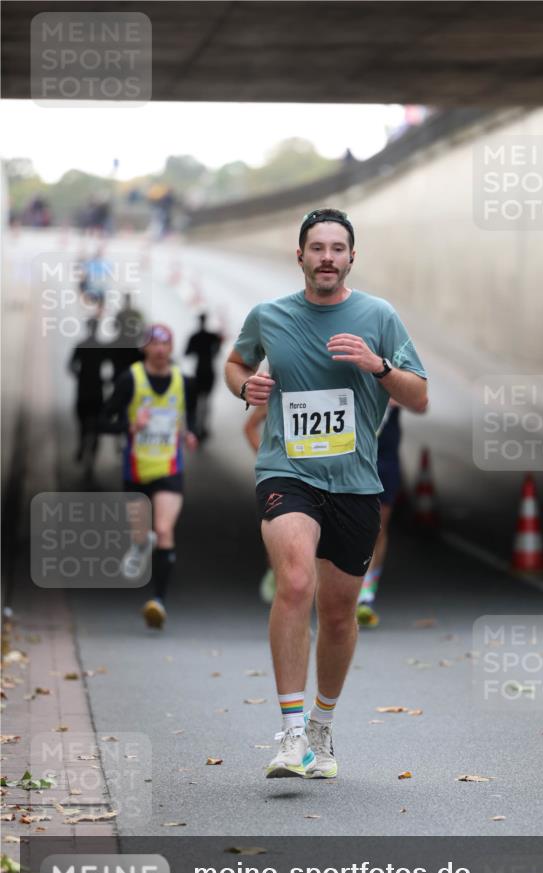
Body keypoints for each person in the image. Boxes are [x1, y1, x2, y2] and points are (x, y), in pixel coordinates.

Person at [225, 207, 428, 779]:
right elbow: (236, 362)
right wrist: (247, 385)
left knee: (338, 614)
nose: (327, 258)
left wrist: (379, 365)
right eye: (317, 248)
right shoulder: (270, 316)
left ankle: (321, 724)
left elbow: (419, 397)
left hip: (356, 482)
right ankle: (291, 735)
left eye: (338, 248)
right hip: (286, 471)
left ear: (351, 258)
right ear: (300, 257)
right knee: (294, 580)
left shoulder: (378, 316)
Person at [100, 324, 198, 628]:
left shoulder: (184, 381)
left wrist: (190, 433)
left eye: (164, 344)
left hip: (169, 469)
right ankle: (141, 544)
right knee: (142, 535)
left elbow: (189, 414)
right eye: (153, 344)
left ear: (171, 348)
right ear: (145, 348)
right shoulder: (131, 379)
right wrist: (129, 427)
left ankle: (159, 601)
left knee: (164, 530)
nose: (159, 349)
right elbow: (103, 420)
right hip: (136, 469)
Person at [356, 401, 404, 628]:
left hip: (384, 458)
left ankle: (366, 595)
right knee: (343, 523)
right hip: (352, 456)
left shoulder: (392, 366)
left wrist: (393, 390)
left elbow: (420, 399)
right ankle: (340, 589)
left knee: (378, 528)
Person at [68, 297, 106, 477]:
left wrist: (79, 376)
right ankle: (91, 460)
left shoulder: (80, 346)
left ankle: (82, 447)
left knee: (82, 424)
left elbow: (70, 366)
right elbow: (111, 367)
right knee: (97, 426)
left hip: (83, 390)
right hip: (97, 390)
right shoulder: (101, 347)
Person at [243, 404, 276, 604]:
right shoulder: (277, 394)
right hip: (280, 475)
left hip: (316, 474)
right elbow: (249, 428)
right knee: (280, 528)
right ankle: (277, 575)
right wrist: (267, 456)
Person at [184, 312, 224, 439]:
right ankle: (203, 426)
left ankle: (197, 426)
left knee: (198, 400)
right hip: (209, 371)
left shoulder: (195, 337)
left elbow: (186, 352)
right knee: (206, 400)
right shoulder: (212, 336)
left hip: (199, 371)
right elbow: (218, 351)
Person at [110, 293, 144, 382]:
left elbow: (115, 327)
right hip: (128, 344)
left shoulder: (124, 313)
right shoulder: (135, 313)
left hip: (127, 345)